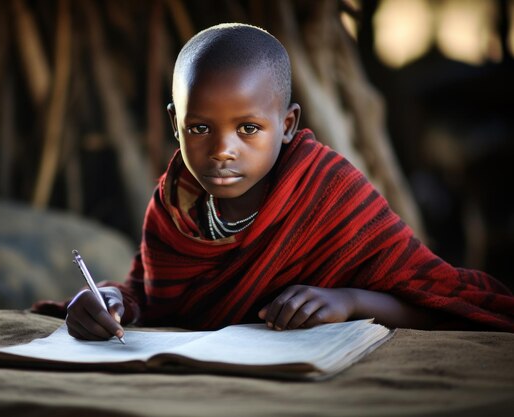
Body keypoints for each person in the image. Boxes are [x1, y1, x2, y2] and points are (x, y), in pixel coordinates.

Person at [64, 23, 514, 341]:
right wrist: (109, 300)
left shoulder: (329, 190)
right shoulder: (175, 206)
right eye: (200, 128)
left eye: (248, 129)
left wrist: (351, 302)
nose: (223, 150)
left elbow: (437, 300)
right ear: (175, 124)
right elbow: (149, 293)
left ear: (287, 123)